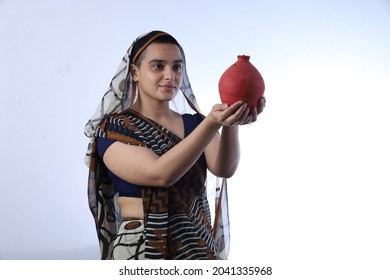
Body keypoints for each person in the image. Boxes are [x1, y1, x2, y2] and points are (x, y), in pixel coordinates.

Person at [84, 30, 266, 260]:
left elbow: (224, 168)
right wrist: (212, 122)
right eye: (158, 66)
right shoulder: (114, 129)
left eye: (177, 67)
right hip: (142, 249)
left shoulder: (194, 124)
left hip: (197, 245)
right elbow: (160, 174)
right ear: (135, 72)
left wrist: (232, 121)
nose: (170, 75)